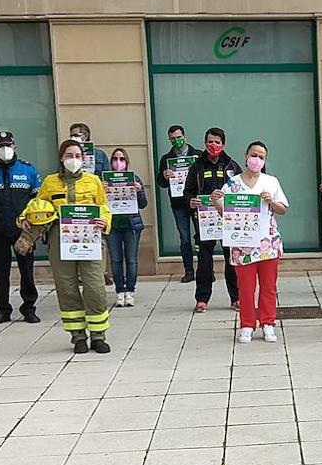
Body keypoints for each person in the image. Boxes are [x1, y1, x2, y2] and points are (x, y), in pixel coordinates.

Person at [28, 140, 112, 353]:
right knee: (66, 287)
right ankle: (78, 336)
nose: (73, 160)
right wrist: (24, 219)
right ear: (61, 158)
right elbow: (37, 206)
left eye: (77, 156)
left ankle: (98, 335)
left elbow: (104, 206)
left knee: (95, 287)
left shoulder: (93, 181)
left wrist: (105, 221)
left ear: (83, 159)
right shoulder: (50, 182)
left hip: (90, 239)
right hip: (60, 240)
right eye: (69, 155)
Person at [212, 141, 288, 344]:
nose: (257, 160)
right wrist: (216, 201)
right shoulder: (232, 184)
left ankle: (268, 323)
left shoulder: (271, 182)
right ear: (246, 156)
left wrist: (271, 201)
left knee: (268, 286)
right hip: (242, 246)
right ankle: (247, 324)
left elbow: (283, 209)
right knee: (245, 288)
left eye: (261, 157)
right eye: (254, 155)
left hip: (267, 243)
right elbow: (225, 213)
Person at [0, 131, 41, 325]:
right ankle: (3, 310)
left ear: (14, 146)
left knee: (27, 271)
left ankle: (29, 308)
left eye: (8, 145)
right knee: (1, 272)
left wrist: (31, 223)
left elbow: (36, 199)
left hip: (24, 230)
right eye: (1, 146)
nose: (5, 149)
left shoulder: (28, 169)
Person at [185, 127, 242, 313]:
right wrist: (190, 201)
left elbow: (241, 190)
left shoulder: (232, 166)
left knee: (231, 260)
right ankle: (202, 299)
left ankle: (236, 298)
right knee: (204, 262)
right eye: (210, 141)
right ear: (205, 143)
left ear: (223, 144)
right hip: (205, 223)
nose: (213, 145)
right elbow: (187, 192)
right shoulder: (197, 166)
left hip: (228, 221)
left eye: (217, 142)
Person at [156, 124, 203, 284]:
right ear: (169, 140)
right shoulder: (166, 159)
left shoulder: (197, 155)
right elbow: (161, 183)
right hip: (179, 204)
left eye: (179, 137)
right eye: (173, 138)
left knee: (202, 237)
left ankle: (205, 269)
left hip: (196, 202)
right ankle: (188, 271)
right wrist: (164, 175)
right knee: (184, 239)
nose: (176, 140)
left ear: (185, 136)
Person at [107, 147, 147, 308]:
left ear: (127, 162)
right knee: (116, 259)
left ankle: (130, 291)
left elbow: (143, 204)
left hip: (131, 225)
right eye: (115, 159)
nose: (118, 162)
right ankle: (119, 291)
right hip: (112, 225)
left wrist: (139, 191)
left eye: (122, 159)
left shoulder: (134, 178)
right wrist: (102, 190)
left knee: (131, 259)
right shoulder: (104, 180)